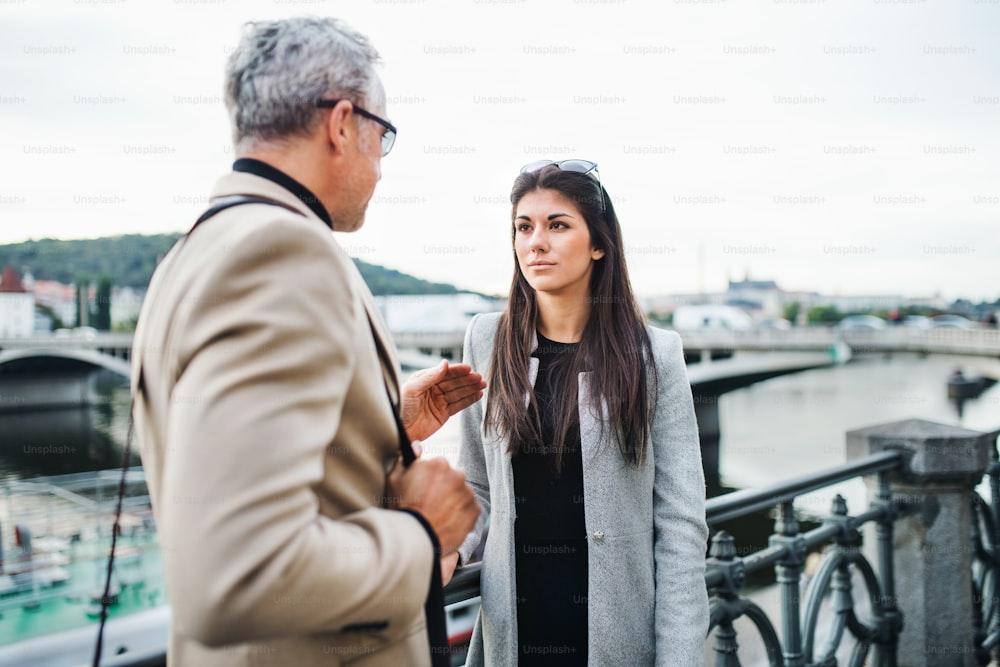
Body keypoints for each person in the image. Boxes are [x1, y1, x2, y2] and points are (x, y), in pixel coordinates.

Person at [130, 17, 481, 666]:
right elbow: (234, 575)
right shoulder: (283, 253)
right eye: (384, 134)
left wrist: (383, 418)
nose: (380, 163)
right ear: (342, 123)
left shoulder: (198, 251)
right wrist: (423, 536)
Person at [447, 160, 710, 665]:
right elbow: (477, 486)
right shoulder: (486, 340)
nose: (535, 242)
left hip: (616, 633)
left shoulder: (654, 357)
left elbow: (679, 523)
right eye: (524, 228)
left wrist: (678, 657)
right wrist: (450, 549)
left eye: (557, 225)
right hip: (516, 632)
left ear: (599, 245)